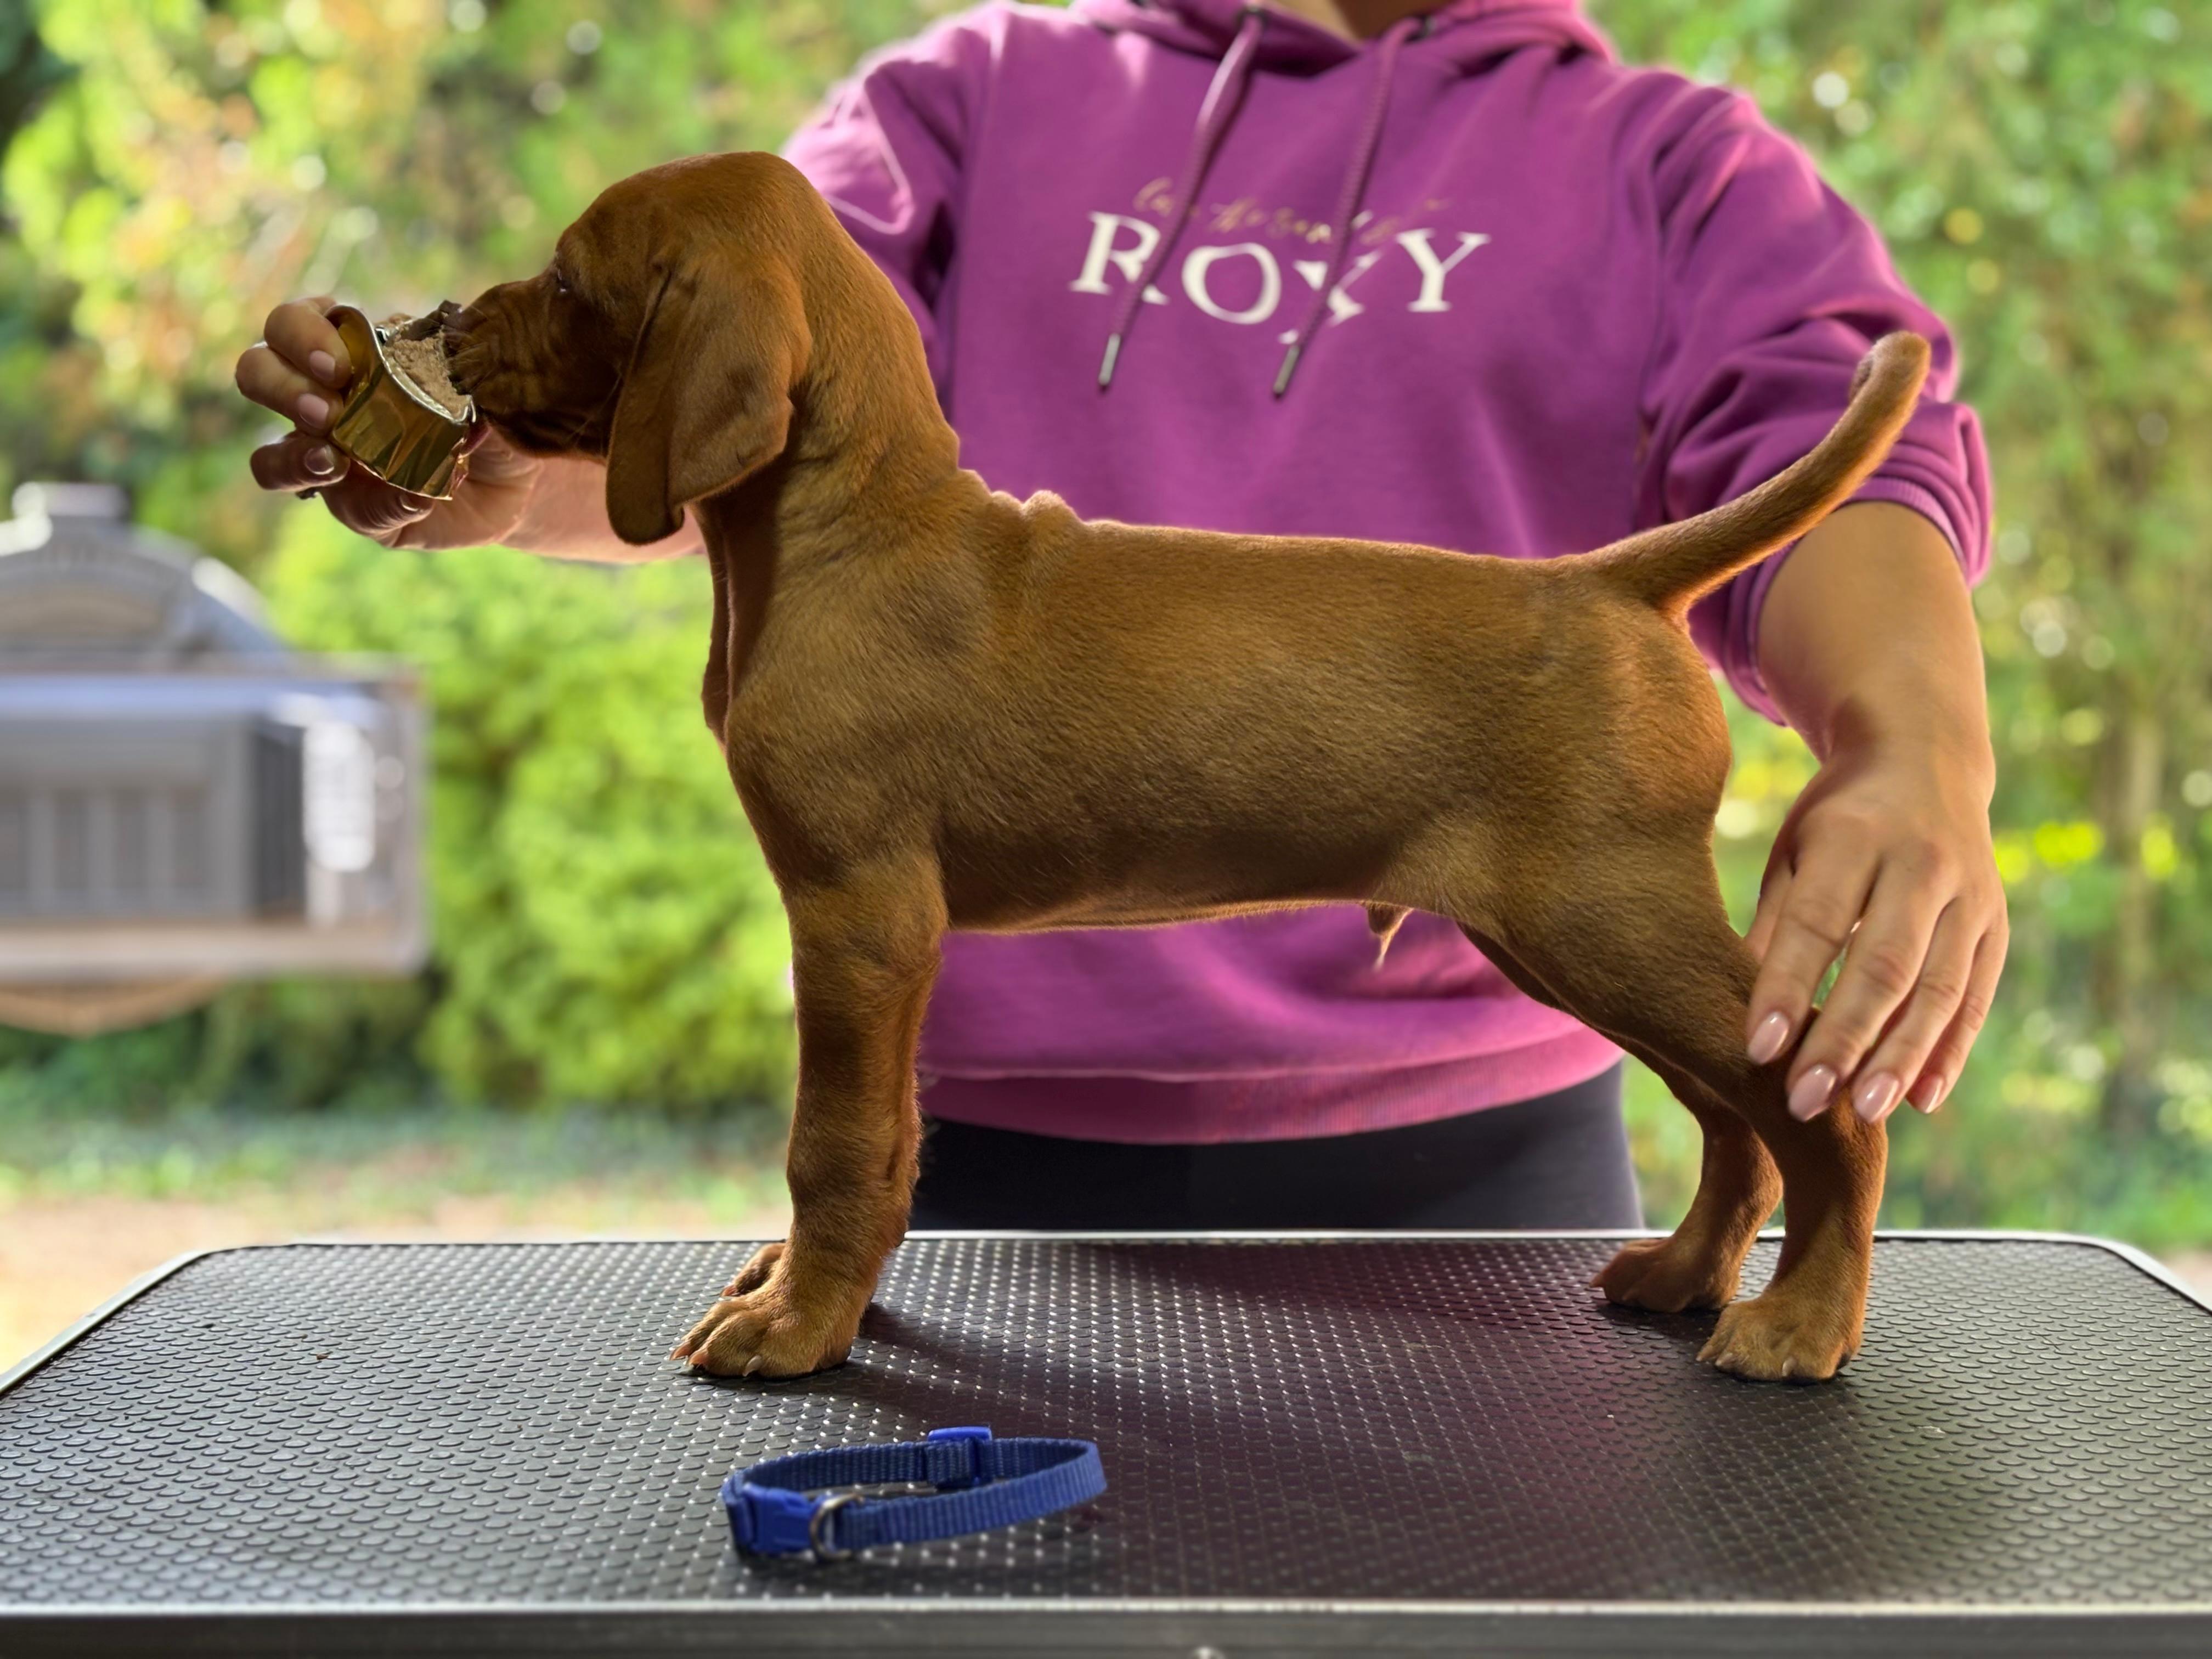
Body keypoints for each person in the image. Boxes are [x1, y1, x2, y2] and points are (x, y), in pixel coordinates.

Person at [234, 0, 2004, 1232]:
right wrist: (507, 468)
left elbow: (1848, 447)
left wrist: (1911, 746)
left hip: (1484, 1159)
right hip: (991, 1162)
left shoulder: (1672, 162)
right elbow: (739, 390)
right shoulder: (971, 98)